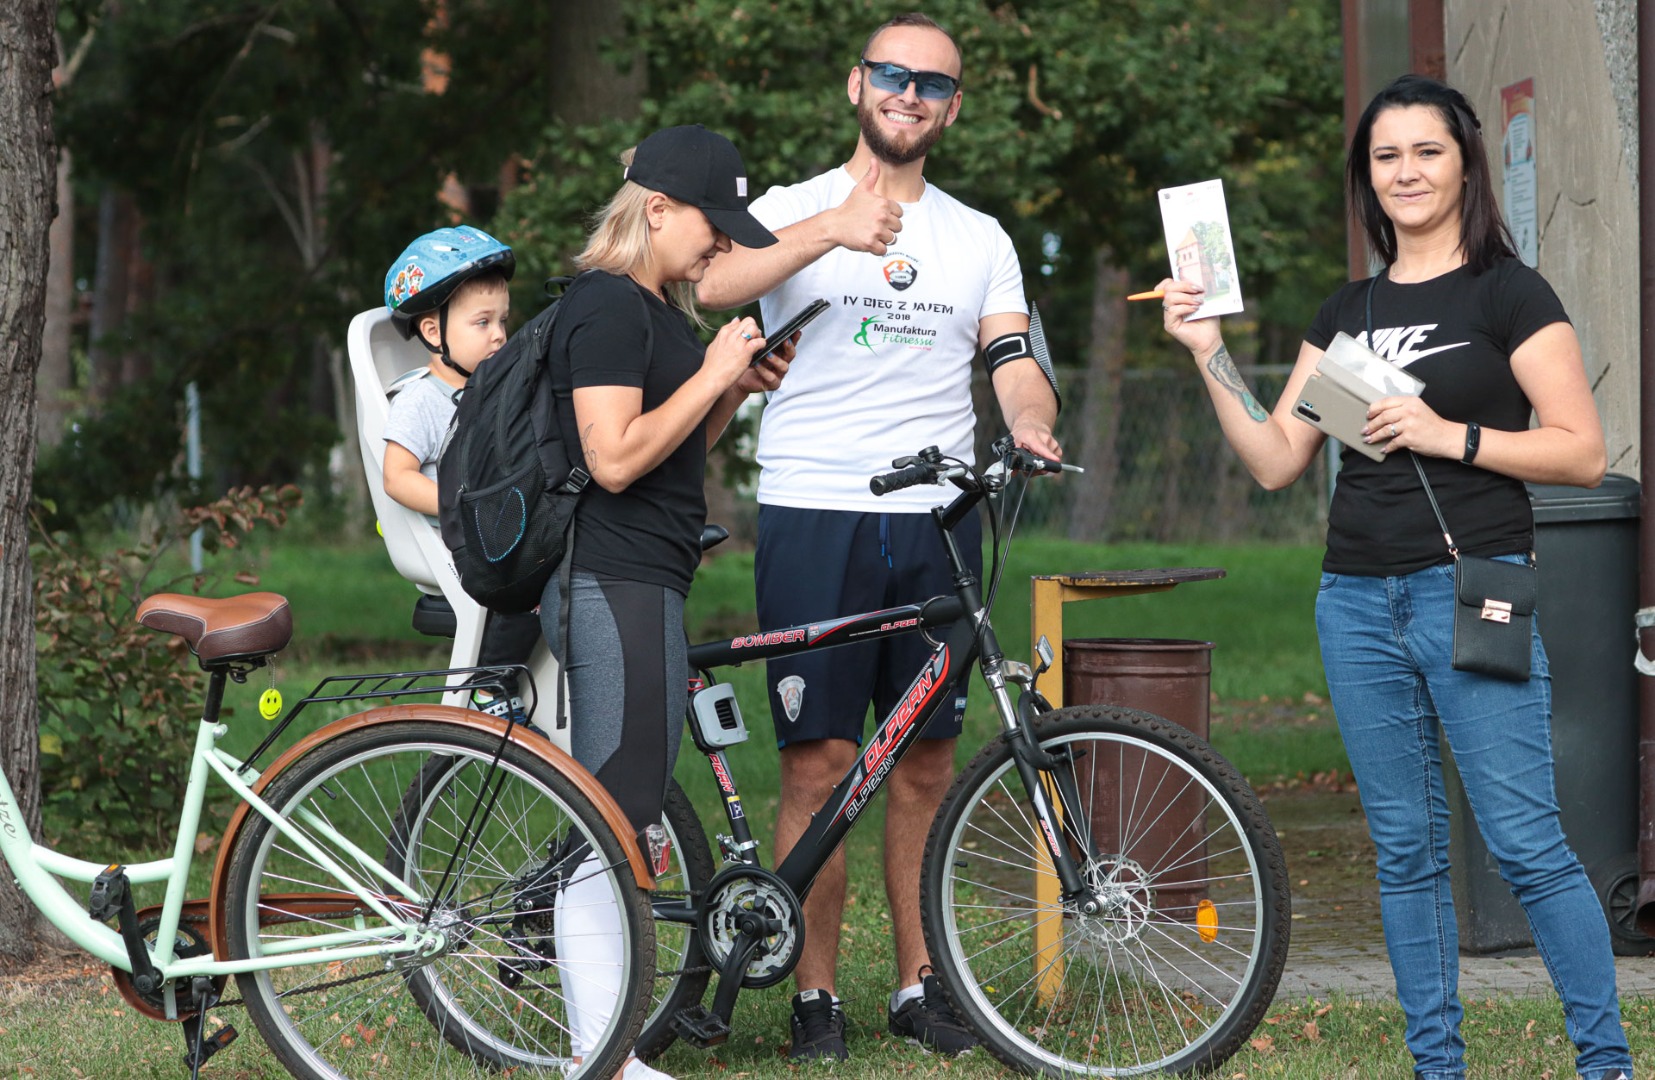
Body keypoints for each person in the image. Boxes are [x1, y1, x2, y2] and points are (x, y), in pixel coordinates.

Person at [1156, 74, 1632, 1080]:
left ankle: (1603, 1064)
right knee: (1404, 854)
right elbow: (1276, 458)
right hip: (1354, 599)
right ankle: (1435, 1068)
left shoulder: (1508, 293)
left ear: (1462, 164)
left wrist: (1445, 432)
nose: (1405, 171)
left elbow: (1580, 453)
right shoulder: (1349, 310)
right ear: (1365, 179)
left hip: (1473, 589)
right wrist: (1209, 355)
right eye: (1385, 156)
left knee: (1524, 843)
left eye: (1425, 151)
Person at [696, 12, 1061, 1062]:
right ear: (856, 85)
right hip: (815, 508)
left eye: (933, 84)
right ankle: (813, 993)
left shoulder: (977, 236)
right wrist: (827, 234)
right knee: (816, 764)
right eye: (893, 76)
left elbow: (1009, 357)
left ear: (953, 105)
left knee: (923, 769)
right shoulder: (786, 209)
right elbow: (710, 287)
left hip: (936, 520)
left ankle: (917, 983)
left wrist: (1029, 418)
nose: (911, 95)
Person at [541, 124, 790, 1080]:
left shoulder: (658, 314)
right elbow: (610, 460)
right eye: (710, 225)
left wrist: (729, 390)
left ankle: (598, 1050)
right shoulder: (607, 308)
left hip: (647, 576)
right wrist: (716, 375)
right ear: (654, 210)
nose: (721, 245)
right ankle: (594, 1058)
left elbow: (665, 450)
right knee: (613, 809)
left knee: (627, 803)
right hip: (610, 577)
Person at [381, 224, 541, 721]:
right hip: (458, 540)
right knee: (532, 581)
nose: (499, 335)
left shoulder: (492, 391)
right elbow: (397, 475)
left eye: (504, 321)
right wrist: (462, 505)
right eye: (482, 322)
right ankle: (488, 684)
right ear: (434, 332)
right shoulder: (420, 400)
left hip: (497, 524)